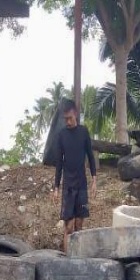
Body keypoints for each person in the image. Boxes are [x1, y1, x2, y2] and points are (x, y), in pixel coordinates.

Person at [53, 99, 97, 254]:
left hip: (82, 185)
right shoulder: (61, 135)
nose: (68, 122)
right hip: (68, 187)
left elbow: (90, 156)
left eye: (70, 118)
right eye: (65, 119)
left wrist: (94, 179)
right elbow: (59, 163)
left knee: (79, 224)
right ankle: (66, 259)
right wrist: (56, 187)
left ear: (75, 114)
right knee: (69, 226)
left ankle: (78, 258)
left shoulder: (84, 132)